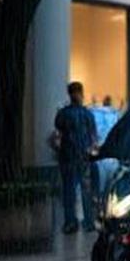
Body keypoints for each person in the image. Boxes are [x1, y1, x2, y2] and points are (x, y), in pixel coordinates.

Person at [53, 81, 98, 234]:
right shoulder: (87, 114)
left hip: (67, 157)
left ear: (69, 94)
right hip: (83, 157)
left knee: (69, 191)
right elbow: (93, 136)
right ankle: (89, 222)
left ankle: (70, 222)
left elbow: (57, 130)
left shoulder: (63, 114)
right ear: (81, 94)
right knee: (86, 190)